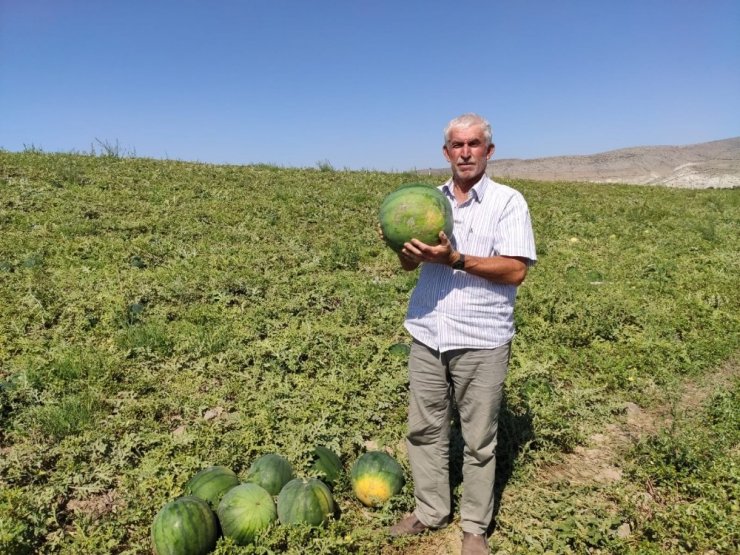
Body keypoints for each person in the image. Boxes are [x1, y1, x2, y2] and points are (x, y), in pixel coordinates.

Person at [388, 113, 536, 555]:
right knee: (425, 430)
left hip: (482, 338)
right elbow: (408, 266)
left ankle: (474, 526)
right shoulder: (425, 201)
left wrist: (456, 258)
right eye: (457, 145)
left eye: (474, 144)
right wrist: (405, 253)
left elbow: (515, 270)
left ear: (488, 152)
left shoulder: (509, 203)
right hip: (429, 333)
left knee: (479, 440)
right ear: (446, 152)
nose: (465, 152)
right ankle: (430, 510)